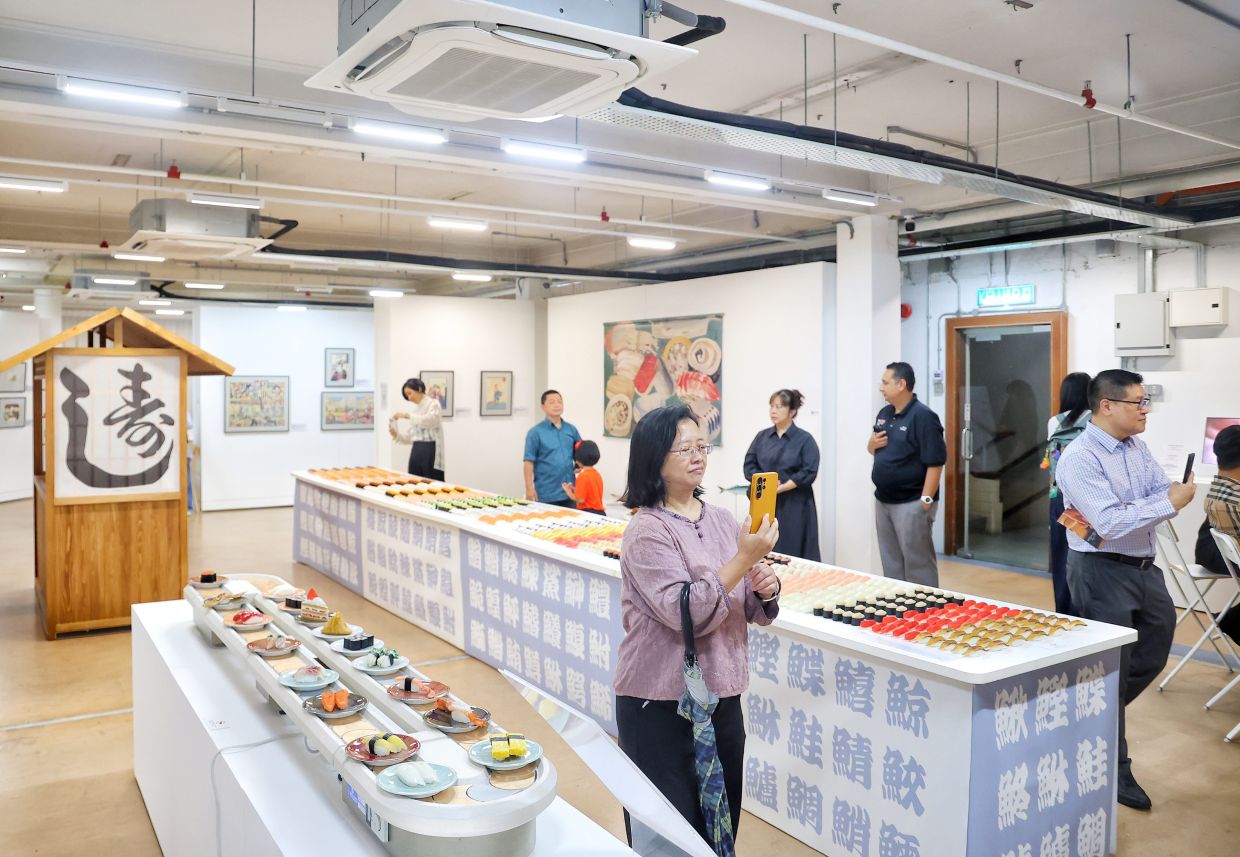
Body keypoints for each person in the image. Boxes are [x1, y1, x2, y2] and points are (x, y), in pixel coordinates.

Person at [613, 405, 781, 850]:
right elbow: (682, 611)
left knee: (721, 821)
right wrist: (743, 560)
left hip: (721, 696)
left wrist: (763, 587)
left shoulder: (723, 519)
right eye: (684, 448)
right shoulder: (647, 529)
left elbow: (744, 606)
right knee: (669, 832)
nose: (697, 455)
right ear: (654, 458)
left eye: (701, 446)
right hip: (660, 703)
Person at [1056, 369, 1196, 811]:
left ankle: (1088, 714)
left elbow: (1157, 489)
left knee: (1155, 647)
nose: (1145, 410)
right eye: (1138, 402)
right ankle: (1112, 767)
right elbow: (1110, 523)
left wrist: (1159, 501)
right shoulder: (1079, 458)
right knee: (1112, 669)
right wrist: (1165, 504)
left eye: (1146, 401)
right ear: (1107, 406)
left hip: (1143, 566)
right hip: (1100, 570)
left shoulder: (1136, 448)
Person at [867, 362, 947, 586]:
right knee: (890, 560)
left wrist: (925, 501)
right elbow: (873, 449)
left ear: (901, 384)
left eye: (885, 382)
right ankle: (899, 611)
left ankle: (926, 612)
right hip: (883, 500)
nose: (881, 387)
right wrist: (871, 444)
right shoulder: (885, 413)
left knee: (917, 562)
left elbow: (936, 462)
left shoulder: (923, 417)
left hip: (912, 502)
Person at [743, 389, 821, 561]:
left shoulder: (805, 439)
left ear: (792, 411)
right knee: (764, 552)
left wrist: (782, 487)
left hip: (795, 505)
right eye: (771, 406)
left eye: (779, 407)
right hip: (765, 502)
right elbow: (749, 465)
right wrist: (767, 485)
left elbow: (809, 471)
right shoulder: (762, 437)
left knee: (793, 553)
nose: (773, 411)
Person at [1044, 372, 1092, 615]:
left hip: (1059, 500)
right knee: (1087, 552)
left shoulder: (1055, 422)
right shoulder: (1095, 422)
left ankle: (1064, 609)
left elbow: (1052, 467)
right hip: (1086, 501)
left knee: (1062, 553)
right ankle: (1086, 612)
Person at [1195, 425, 1240, 644]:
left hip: (1214, 551)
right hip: (1229, 556)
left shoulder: (1219, 487)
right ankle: (1232, 619)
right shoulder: (1234, 497)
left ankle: (1231, 618)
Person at [523, 390, 581, 508]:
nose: (557, 405)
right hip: (546, 493)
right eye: (552, 402)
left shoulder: (571, 430)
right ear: (543, 407)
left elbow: (580, 453)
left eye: (559, 401)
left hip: (570, 493)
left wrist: (578, 465)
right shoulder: (535, 432)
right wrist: (529, 488)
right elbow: (528, 462)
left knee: (571, 525)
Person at [389, 378, 445, 481]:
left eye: (409, 393)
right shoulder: (416, 411)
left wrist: (406, 415)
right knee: (415, 483)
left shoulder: (433, 404)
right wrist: (396, 435)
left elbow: (431, 421)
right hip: (416, 450)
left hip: (430, 450)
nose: (409, 398)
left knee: (431, 485)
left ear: (419, 389)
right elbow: (411, 438)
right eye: (407, 396)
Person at [563, 440, 606, 515]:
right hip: (600, 512)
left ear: (578, 460)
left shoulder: (582, 476)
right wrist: (574, 489)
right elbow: (590, 493)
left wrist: (569, 493)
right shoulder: (596, 474)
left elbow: (580, 500)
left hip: (588, 513)